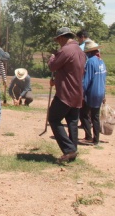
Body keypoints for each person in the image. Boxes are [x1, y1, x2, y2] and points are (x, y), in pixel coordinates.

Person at [48, 27, 86, 163]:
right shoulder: (80, 51)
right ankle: (73, 152)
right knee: (72, 122)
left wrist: (52, 58)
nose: (58, 43)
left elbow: (53, 66)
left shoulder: (65, 50)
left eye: (58, 40)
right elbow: (70, 71)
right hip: (77, 93)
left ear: (61, 38)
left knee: (53, 118)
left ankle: (69, 150)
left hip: (65, 93)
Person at [80, 40, 107, 145]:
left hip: (92, 92)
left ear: (89, 52)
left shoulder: (90, 62)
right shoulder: (101, 61)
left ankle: (88, 136)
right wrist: (104, 94)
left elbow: (86, 80)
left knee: (83, 114)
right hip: (100, 92)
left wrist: (82, 94)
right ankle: (96, 139)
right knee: (95, 116)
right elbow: (104, 79)